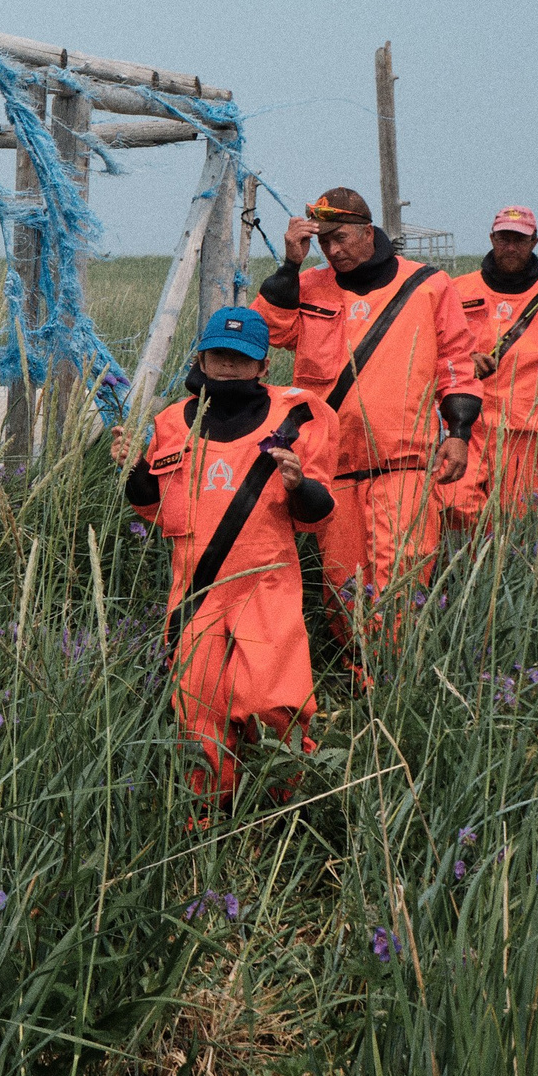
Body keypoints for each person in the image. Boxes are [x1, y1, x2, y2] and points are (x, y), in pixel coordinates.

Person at [110, 307, 339, 801]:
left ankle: (286, 808)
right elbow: (151, 508)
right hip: (195, 594)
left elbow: (319, 515)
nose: (229, 365)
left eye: (241, 358)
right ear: (202, 359)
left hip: (267, 585)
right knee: (200, 715)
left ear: (263, 366)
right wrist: (133, 470)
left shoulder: (299, 417)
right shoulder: (170, 423)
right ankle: (207, 823)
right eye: (219, 355)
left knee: (277, 705)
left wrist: (300, 485)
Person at [252, 187, 482, 642]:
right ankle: (358, 676)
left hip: (404, 466)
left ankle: (392, 677)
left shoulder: (429, 285)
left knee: (401, 575)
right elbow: (270, 332)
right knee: (342, 585)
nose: (333, 251)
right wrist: (291, 264)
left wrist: (458, 432)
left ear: (366, 229)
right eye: (323, 243)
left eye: (340, 238)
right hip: (332, 467)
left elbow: (456, 364)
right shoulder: (309, 286)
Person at [437, 206, 538, 527]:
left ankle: (490, 575)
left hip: (526, 437)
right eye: (504, 238)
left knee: (514, 525)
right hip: (465, 430)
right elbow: (431, 352)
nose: (511, 246)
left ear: (534, 242)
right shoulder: (455, 290)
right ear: (492, 238)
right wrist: (465, 363)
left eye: (519, 240)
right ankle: (462, 570)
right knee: (454, 506)